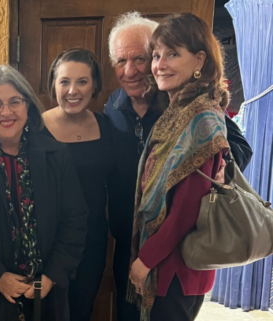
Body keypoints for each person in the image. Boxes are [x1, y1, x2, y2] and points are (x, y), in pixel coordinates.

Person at [103, 11, 253, 321]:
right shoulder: (115, 106)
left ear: (198, 61)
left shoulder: (199, 113)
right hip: (135, 246)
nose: (131, 70)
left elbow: (191, 198)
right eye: (121, 61)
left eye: (143, 58)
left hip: (174, 261)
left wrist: (221, 169)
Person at [0, 65, 87, 321]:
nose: (6, 112)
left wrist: (52, 276)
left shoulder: (57, 154)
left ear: (28, 106)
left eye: (14, 102)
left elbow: (74, 220)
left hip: (46, 295)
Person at [127, 13, 231, 321]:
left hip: (176, 267)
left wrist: (146, 259)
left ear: (199, 60)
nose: (160, 64)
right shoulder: (179, 112)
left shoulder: (201, 118)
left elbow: (188, 207)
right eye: (157, 55)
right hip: (166, 261)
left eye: (173, 54)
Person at [42, 48, 114, 320]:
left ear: (94, 85)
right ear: (54, 84)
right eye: (64, 81)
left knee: (81, 312)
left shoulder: (106, 126)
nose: (73, 90)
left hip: (92, 242)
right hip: (48, 244)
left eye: (82, 81)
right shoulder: (35, 128)